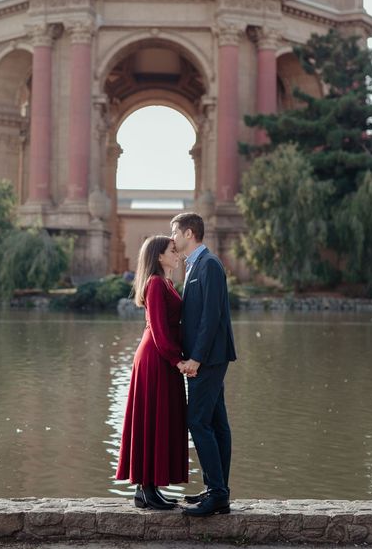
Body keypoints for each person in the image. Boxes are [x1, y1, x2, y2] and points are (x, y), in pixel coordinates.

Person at [115, 235, 189, 510]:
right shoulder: (156, 284)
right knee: (153, 418)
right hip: (156, 358)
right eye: (173, 250)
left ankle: (148, 491)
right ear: (159, 256)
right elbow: (158, 328)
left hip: (161, 358)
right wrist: (177, 361)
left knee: (158, 419)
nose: (177, 254)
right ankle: (145, 490)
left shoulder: (165, 282)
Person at [170, 212, 237, 517]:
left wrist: (196, 357)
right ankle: (216, 489)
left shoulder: (208, 264)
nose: (172, 238)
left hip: (209, 358)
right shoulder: (195, 264)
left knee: (197, 421)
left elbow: (210, 317)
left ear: (188, 233)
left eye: (175, 232)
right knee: (216, 423)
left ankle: (218, 494)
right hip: (209, 357)